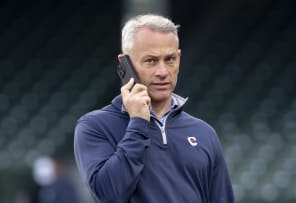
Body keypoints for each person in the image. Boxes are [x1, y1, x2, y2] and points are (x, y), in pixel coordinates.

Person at [74, 14, 234, 203]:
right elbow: (108, 195)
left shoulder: (204, 132)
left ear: (179, 58)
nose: (163, 72)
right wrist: (138, 123)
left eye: (170, 59)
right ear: (125, 63)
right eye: (150, 60)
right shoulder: (94, 126)